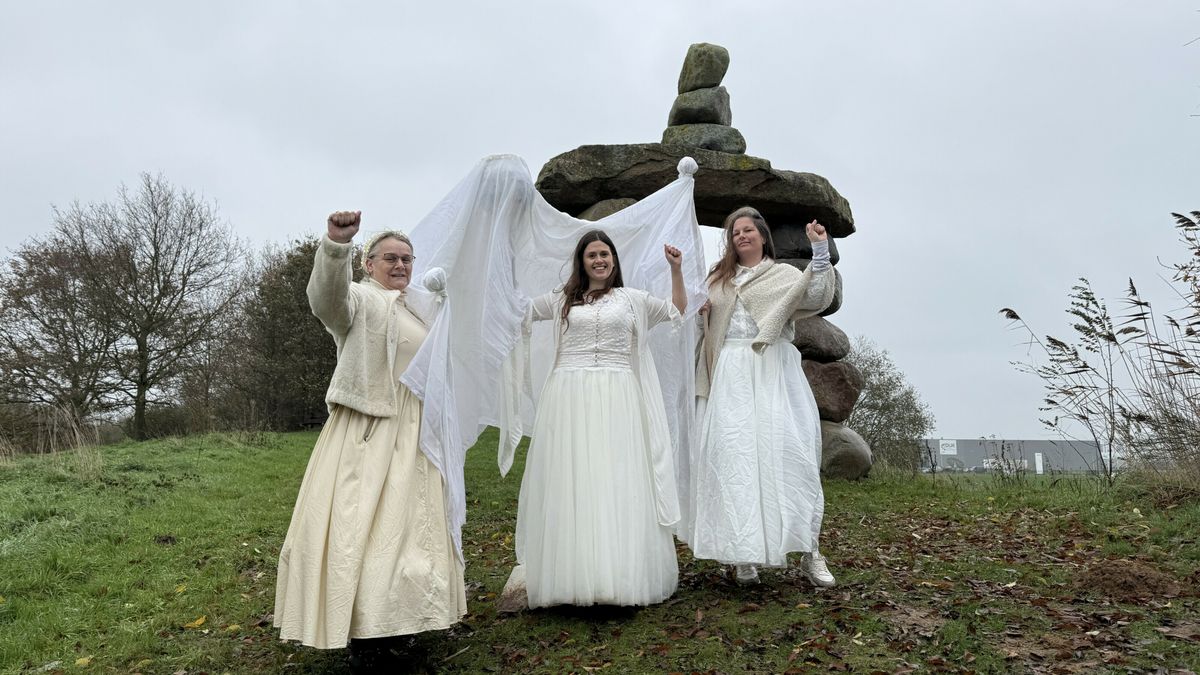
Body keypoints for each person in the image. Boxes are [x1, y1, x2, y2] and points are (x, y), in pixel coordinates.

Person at [274, 211, 466, 657]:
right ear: (369, 264)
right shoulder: (360, 300)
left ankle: (402, 621)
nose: (400, 266)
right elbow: (327, 300)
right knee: (360, 526)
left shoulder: (419, 308)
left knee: (409, 530)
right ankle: (363, 630)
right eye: (390, 259)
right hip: (369, 428)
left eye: (407, 259)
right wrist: (336, 245)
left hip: (416, 431)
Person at [512, 229, 687, 608]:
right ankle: (571, 578)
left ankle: (616, 578)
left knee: (614, 478)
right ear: (582, 261)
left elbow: (676, 311)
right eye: (592, 255)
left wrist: (676, 269)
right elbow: (521, 310)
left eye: (604, 253)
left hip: (618, 393)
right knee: (572, 477)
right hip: (568, 395)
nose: (599, 260)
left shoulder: (632, 299)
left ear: (614, 259)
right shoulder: (562, 300)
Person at [684, 206, 838, 587]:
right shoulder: (718, 281)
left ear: (762, 236)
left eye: (748, 230)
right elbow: (702, 329)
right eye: (735, 232)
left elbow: (816, 295)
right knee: (736, 459)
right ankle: (744, 554)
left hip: (772, 369)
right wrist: (701, 312)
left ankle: (810, 550)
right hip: (730, 375)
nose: (741, 236)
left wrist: (819, 250)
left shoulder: (782, 275)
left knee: (790, 455)